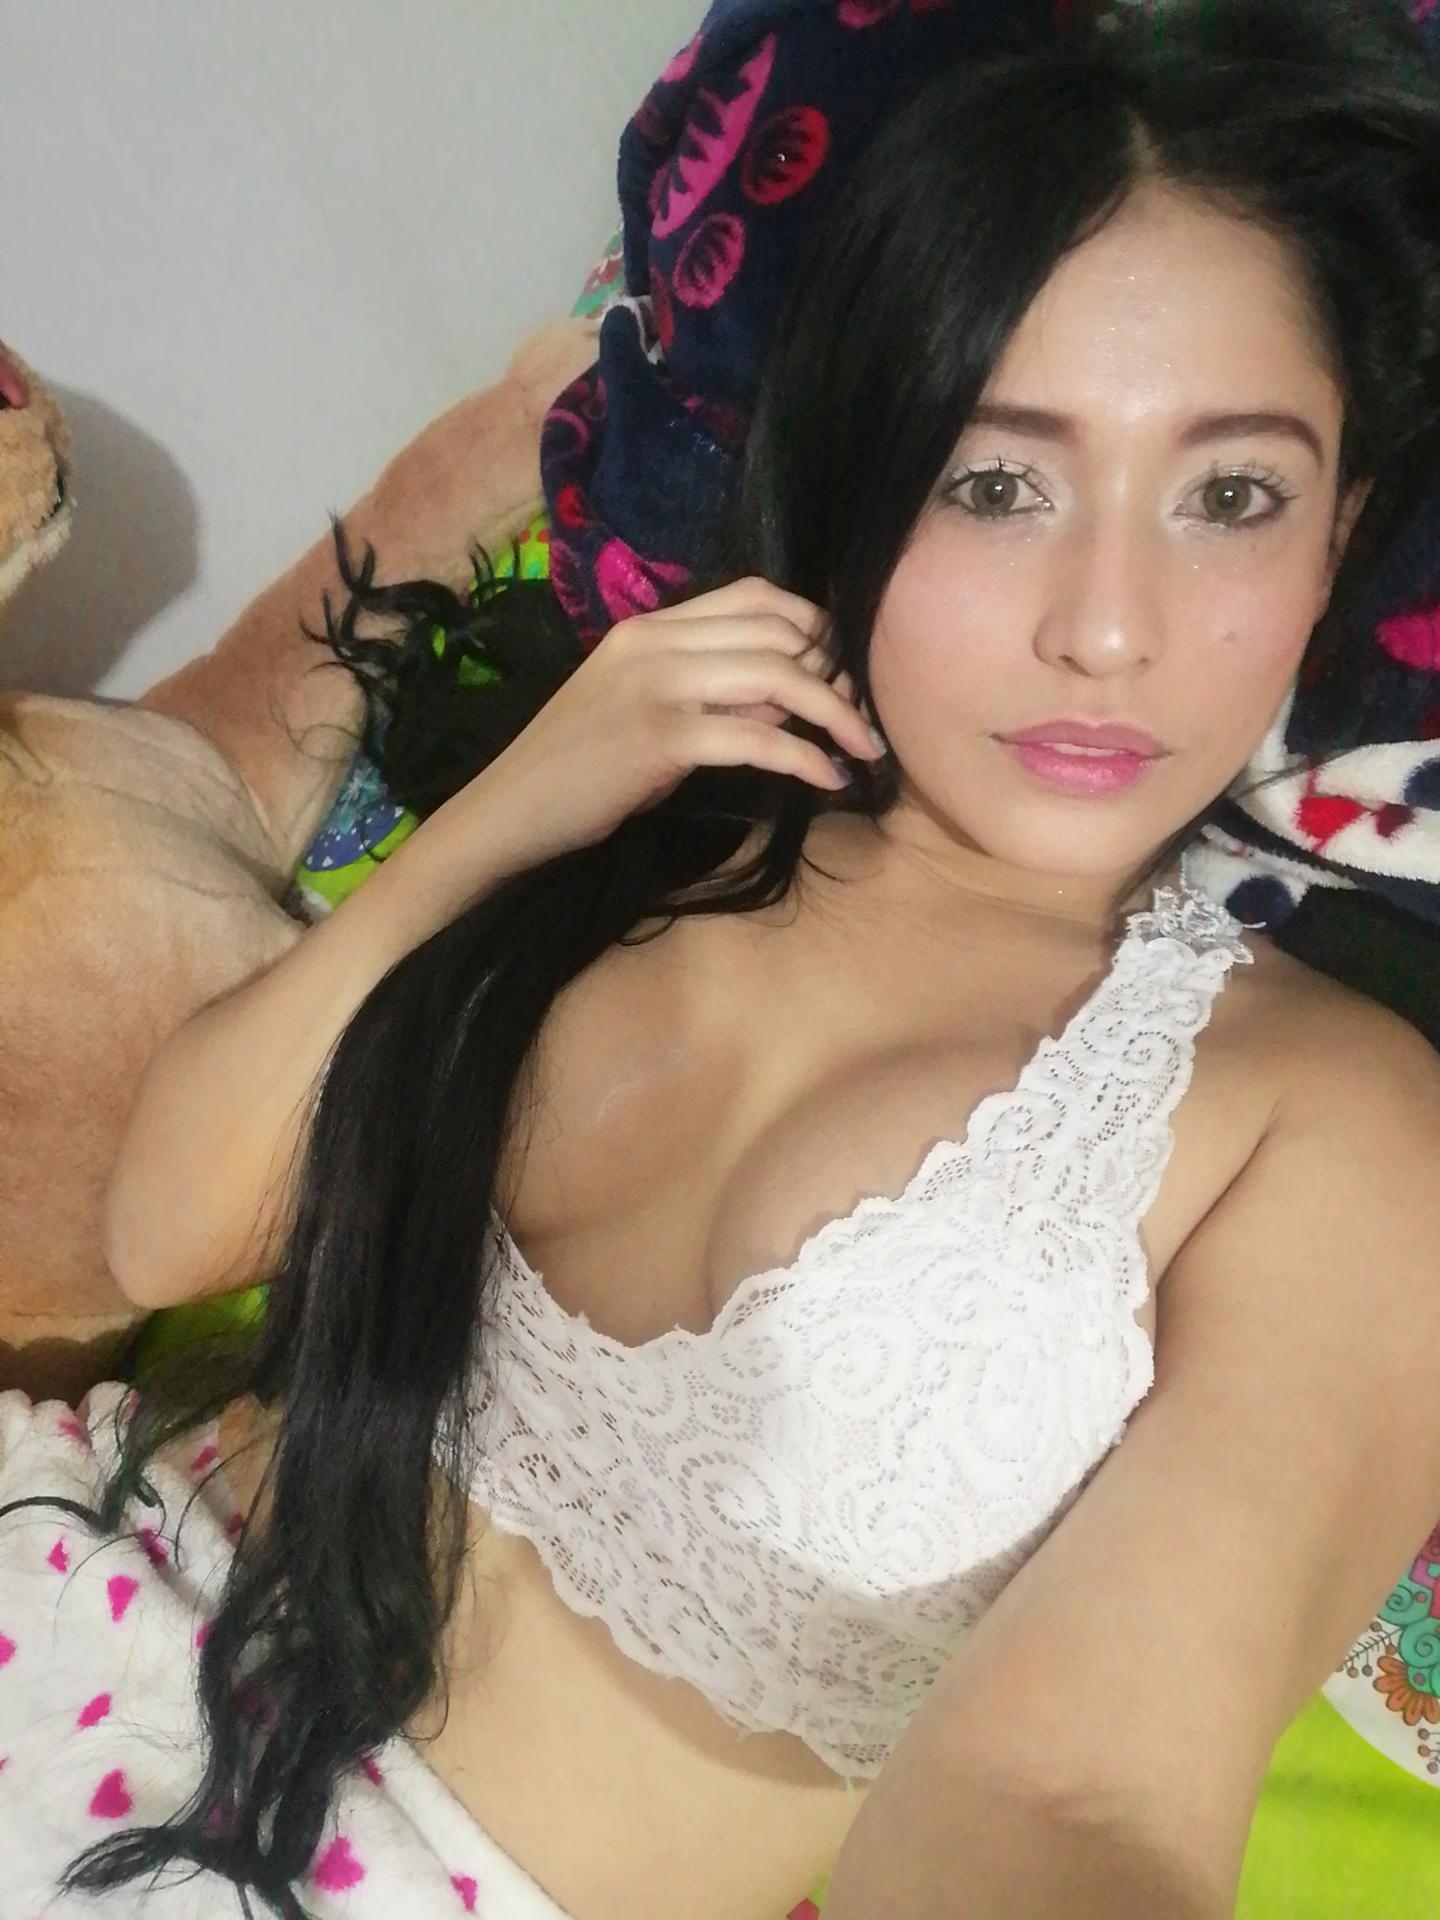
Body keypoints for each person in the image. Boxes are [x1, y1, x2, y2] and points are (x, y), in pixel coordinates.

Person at [3, 1, 1440, 1916]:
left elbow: (1083, 1800)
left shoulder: (1331, 1117)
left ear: (1340, 536)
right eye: (996, 482)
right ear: (859, 484)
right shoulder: (664, 816)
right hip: (52, 1586)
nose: (1110, 629)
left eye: (1231, 497)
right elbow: (162, 1231)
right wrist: (531, 792)